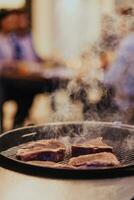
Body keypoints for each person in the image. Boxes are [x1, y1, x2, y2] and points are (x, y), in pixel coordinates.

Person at [104, 7, 134, 124]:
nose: (118, 25)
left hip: (128, 104)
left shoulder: (128, 43)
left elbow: (110, 78)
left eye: (120, 21)